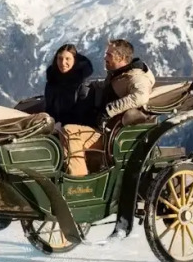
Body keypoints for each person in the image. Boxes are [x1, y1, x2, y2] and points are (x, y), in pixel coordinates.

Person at [61, 39, 155, 177]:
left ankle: (79, 183)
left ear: (121, 58)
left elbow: (141, 97)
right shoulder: (119, 73)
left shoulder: (136, 77)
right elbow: (109, 88)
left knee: (69, 133)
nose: (105, 57)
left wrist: (109, 110)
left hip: (111, 135)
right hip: (104, 128)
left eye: (109, 55)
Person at [43, 44, 94, 125]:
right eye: (60, 58)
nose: (63, 63)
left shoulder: (83, 83)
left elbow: (82, 112)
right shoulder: (52, 80)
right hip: (53, 125)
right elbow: (49, 107)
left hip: (75, 127)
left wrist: (62, 125)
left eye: (68, 59)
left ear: (75, 60)